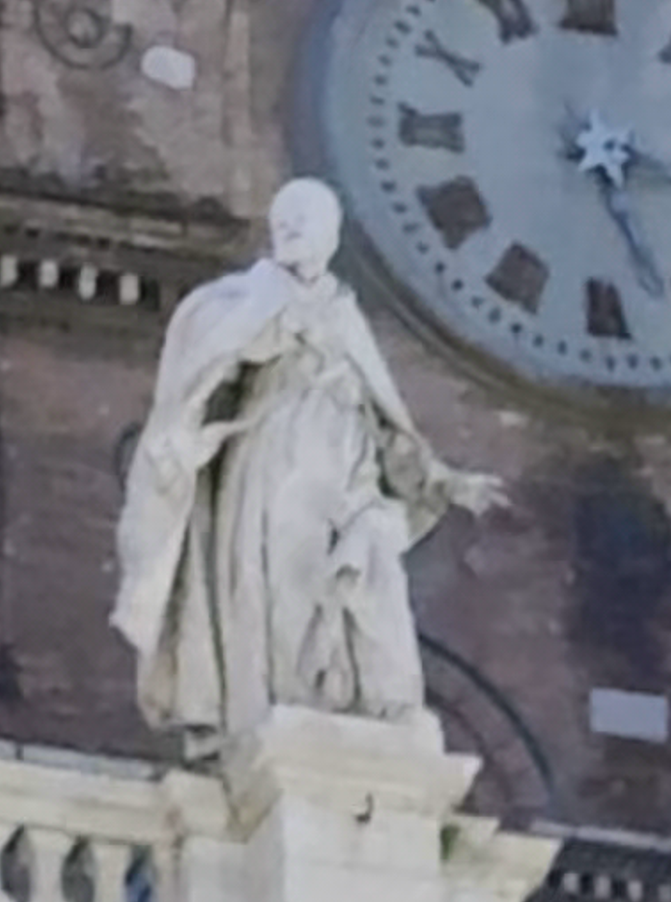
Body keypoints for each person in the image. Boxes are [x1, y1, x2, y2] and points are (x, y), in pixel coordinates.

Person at [110, 178, 502, 745]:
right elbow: (199, 373)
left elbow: (390, 425)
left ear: (332, 234)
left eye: (304, 218)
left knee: (365, 564)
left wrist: (443, 481)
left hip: (347, 470)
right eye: (282, 219)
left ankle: (361, 706)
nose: (290, 228)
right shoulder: (243, 299)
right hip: (272, 464)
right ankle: (286, 710)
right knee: (281, 588)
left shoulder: (344, 313)